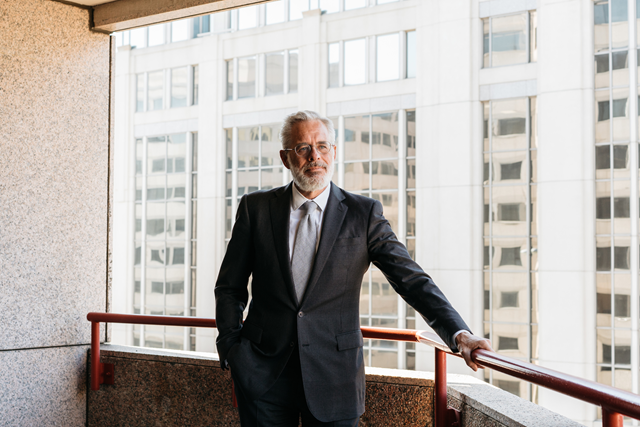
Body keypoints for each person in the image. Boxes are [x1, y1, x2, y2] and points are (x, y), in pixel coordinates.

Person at [215, 110, 492, 427]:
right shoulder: (256, 208)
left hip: (335, 378)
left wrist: (459, 334)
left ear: (333, 152)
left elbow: (411, 280)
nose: (314, 156)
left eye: (322, 146)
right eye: (303, 148)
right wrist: (232, 348)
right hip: (263, 376)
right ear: (285, 157)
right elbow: (229, 287)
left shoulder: (363, 213)